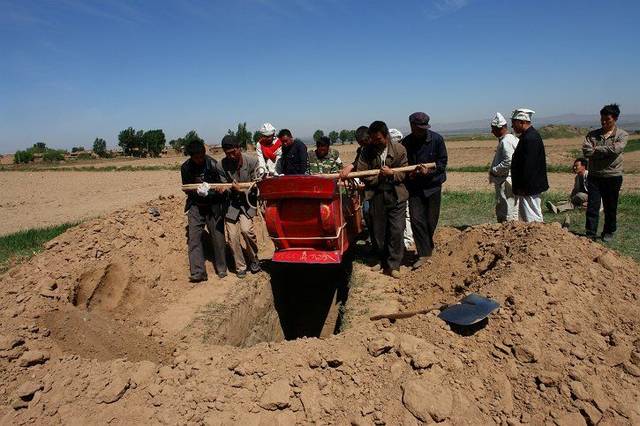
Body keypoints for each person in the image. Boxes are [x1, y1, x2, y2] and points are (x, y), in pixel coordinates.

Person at [356, 121, 408, 279]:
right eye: (372, 139)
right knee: (378, 230)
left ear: (386, 136)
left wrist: (392, 174)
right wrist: (378, 176)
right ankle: (381, 260)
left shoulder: (399, 149)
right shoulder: (366, 151)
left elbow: (404, 172)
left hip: (396, 194)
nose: (375, 142)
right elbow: (361, 173)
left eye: (378, 138)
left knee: (397, 229)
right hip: (376, 195)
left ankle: (394, 265)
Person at [402, 112, 447, 269]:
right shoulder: (406, 143)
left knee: (430, 220)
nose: (422, 131)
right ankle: (424, 254)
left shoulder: (437, 140)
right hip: (415, 188)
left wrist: (429, 172)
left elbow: (442, 164)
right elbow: (403, 166)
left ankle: (428, 247)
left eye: (424, 128)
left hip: (433, 186)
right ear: (412, 126)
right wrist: (411, 174)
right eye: (418, 128)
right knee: (416, 220)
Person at [181, 139, 228, 282]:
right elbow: (187, 189)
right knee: (194, 238)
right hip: (196, 206)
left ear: (204, 153)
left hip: (213, 206)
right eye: (196, 158)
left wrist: (213, 192)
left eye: (201, 156)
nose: (199, 160)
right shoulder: (186, 168)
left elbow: (223, 188)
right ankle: (198, 272)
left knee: (218, 238)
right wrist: (197, 192)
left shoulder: (213, 164)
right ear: (191, 156)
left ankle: (221, 268)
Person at [216, 135, 261, 278]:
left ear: (239, 148)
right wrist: (225, 189)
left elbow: (257, 187)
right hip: (231, 205)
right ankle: (240, 266)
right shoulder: (221, 165)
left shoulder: (252, 162)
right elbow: (224, 184)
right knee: (233, 237)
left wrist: (241, 190)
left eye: (233, 152)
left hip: (247, 203)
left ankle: (254, 260)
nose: (230, 156)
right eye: (227, 153)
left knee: (247, 231)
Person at [582, 103, 628, 242]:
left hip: (612, 176)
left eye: (607, 120)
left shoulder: (622, 135)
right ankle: (590, 233)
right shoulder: (592, 134)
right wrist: (604, 151)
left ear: (615, 119)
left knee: (610, 206)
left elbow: (616, 150)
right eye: (602, 119)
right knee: (592, 206)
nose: (603, 122)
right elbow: (586, 151)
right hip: (595, 176)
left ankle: (608, 231)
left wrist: (597, 150)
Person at [510, 108, 549, 222]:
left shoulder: (530, 138)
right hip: (528, 186)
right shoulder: (528, 136)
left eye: (514, 124)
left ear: (522, 122)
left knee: (532, 217)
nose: (513, 127)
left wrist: (523, 187)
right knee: (528, 215)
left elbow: (529, 166)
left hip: (529, 187)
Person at [489, 112, 519, 222]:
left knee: (507, 207)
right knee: (509, 206)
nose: (492, 131)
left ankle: (507, 230)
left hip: (506, 179)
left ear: (500, 128)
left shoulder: (506, 141)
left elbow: (508, 161)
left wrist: (495, 170)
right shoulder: (510, 139)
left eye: (493, 129)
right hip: (507, 178)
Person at [390, 128, 414, 251]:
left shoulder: (404, 152)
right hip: (391, 191)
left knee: (407, 214)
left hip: (403, 189)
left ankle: (408, 242)